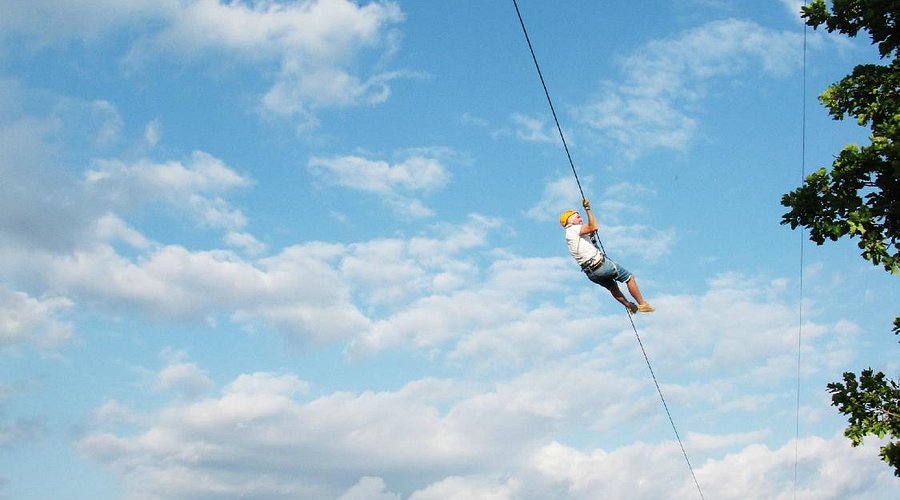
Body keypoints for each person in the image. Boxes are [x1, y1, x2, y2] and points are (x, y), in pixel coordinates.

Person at [560, 197, 655, 314]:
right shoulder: (573, 229)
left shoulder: (573, 236)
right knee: (629, 277)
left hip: (591, 273)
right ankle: (643, 304)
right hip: (600, 266)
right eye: (578, 217)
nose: (580, 219)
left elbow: (592, 231)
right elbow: (593, 226)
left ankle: (629, 305)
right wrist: (588, 209)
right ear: (570, 221)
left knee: (612, 287)